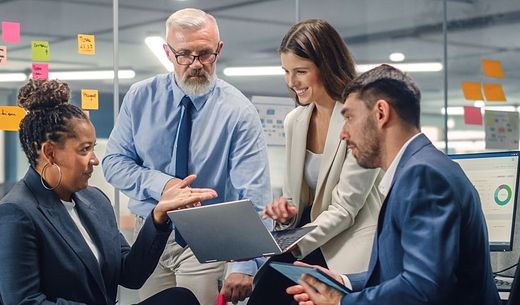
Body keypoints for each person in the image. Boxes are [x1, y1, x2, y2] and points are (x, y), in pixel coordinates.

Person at [286, 64, 501, 305]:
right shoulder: (417, 169)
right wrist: (342, 282)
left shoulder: (423, 176)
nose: (343, 134)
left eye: (349, 118)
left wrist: (339, 302)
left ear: (381, 113)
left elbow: (423, 288)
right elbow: (402, 276)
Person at [102, 8, 272, 305]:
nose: (195, 64)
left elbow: (255, 195)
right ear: (168, 52)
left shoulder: (238, 112)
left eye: (205, 54)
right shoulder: (140, 98)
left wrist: (246, 263)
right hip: (149, 234)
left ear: (218, 51)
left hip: (208, 238)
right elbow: (114, 162)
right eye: (184, 54)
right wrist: (165, 186)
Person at [0, 79, 218, 305]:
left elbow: (131, 274)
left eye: (93, 148)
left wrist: (158, 216)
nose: (94, 159)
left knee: (180, 299)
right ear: (50, 153)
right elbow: (24, 302)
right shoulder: (16, 213)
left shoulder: (94, 199)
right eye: (85, 150)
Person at [248, 19, 383, 305]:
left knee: (276, 287)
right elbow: (298, 199)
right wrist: (285, 211)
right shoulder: (295, 121)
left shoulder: (362, 119)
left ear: (326, 66)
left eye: (300, 71)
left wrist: (293, 245)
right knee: (265, 292)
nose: (290, 82)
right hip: (308, 241)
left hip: (347, 246)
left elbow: (346, 208)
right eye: (286, 71)